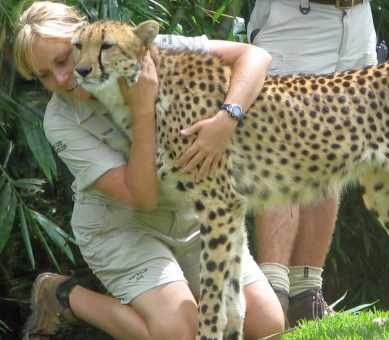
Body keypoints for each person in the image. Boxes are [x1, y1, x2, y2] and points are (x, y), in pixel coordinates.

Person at [14, 1, 283, 339]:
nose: (64, 77)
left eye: (63, 60)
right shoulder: (59, 121)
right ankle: (63, 296)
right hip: (122, 227)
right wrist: (143, 109)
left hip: (193, 219)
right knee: (180, 334)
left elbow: (255, 57)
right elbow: (142, 197)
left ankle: (172, 304)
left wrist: (227, 118)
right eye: (44, 76)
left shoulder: (141, 46)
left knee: (268, 324)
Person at [246, 0, 379, 328]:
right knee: (283, 152)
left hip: (357, 18)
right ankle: (273, 296)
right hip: (296, 18)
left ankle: (307, 296)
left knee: (333, 152)